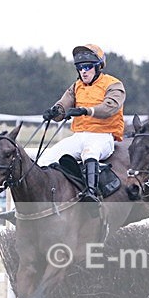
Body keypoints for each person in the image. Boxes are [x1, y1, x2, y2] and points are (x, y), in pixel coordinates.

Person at [41, 43, 126, 205]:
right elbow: (63, 105)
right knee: (46, 159)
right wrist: (55, 112)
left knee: (89, 152)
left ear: (98, 67)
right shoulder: (76, 86)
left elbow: (110, 107)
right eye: (80, 68)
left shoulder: (114, 84)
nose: (83, 71)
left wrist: (85, 111)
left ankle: (91, 193)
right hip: (79, 136)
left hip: (103, 137)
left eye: (87, 67)